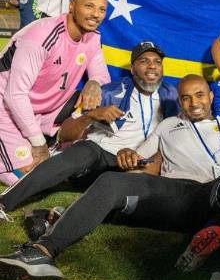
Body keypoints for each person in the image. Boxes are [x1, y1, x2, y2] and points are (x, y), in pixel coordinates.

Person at [0, 75, 220, 280]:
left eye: (199, 95)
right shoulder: (168, 125)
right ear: (180, 101)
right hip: (173, 194)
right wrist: (126, 154)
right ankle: (42, 252)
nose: (194, 102)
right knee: (112, 181)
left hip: (211, 194)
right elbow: (139, 158)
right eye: (186, 97)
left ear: (210, 96)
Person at [0, 41, 176, 215]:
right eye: (144, 61)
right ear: (132, 69)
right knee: (83, 152)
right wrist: (91, 115)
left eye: (157, 62)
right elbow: (65, 134)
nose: (152, 66)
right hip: (99, 158)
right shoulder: (109, 92)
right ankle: (4, 202)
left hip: (135, 165)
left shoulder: (171, 96)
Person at [0, 0, 111, 186]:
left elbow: (101, 74)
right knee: (27, 180)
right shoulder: (43, 35)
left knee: (102, 96)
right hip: (7, 108)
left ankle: (51, 142)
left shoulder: (93, 37)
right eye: (89, 6)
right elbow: (14, 95)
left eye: (102, 9)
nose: (96, 14)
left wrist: (94, 82)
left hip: (44, 110)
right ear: (71, 6)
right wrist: (38, 143)